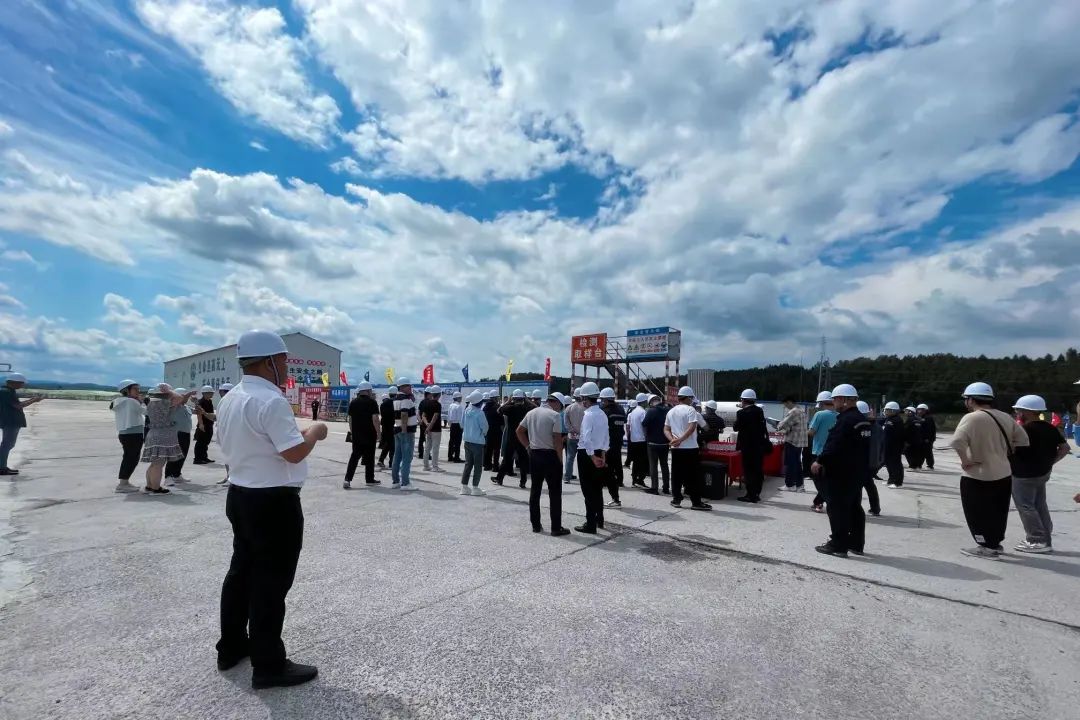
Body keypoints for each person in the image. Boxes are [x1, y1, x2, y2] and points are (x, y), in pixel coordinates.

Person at [215, 330, 328, 689]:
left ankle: (231, 646)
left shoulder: (231, 397)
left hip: (241, 494)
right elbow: (293, 452)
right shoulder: (270, 399)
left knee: (241, 574)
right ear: (268, 362)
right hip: (273, 502)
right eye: (283, 360)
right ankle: (268, 665)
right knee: (270, 583)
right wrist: (315, 430)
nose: (286, 365)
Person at [949, 382, 1029, 559]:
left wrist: (966, 461)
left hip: (978, 474)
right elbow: (1023, 440)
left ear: (970, 400)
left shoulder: (972, 418)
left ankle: (985, 546)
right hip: (1003, 473)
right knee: (998, 511)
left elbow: (956, 442)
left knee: (976, 512)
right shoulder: (1005, 417)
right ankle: (995, 543)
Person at [811, 384, 871, 557]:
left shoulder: (845, 420)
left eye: (835, 399)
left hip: (842, 472)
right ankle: (856, 543)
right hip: (857, 471)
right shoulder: (862, 420)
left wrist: (819, 461)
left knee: (837, 508)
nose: (834, 402)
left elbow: (835, 445)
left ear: (844, 400)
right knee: (854, 507)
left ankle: (838, 544)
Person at [1009, 395, 1069, 553]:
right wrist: (1051, 462)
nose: (1017, 413)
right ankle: (1046, 540)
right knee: (1040, 505)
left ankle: (1036, 540)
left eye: (1018, 410)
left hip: (1023, 475)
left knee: (1026, 506)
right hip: (1042, 473)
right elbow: (1065, 448)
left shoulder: (1024, 430)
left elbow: (1012, 450)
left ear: (1026, 411)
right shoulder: (1050, 428)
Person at [518, 394, 570, 535]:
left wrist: (528, 447)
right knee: (554, 494)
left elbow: (519, 431)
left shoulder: (531, 413)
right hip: (551, 456)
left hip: (535, 455)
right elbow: (557, 440)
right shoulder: (554, 416)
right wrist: (560, 460)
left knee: (535, 491)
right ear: (557, 403)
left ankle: (535, 525)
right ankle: (556, 527)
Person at [665, 386, 712, 510]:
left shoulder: (671, 411)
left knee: (676, 475)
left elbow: (666, 429)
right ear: (689, 398)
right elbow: (692, 428)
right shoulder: (691, 410)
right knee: (693, 476)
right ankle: (696, 502)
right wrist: (679, 440)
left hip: (676, 449)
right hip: (690, 448)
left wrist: (672, 440)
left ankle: (676, 499)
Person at [142, 383, 191, 494]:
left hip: (153, 433)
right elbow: (180, 398)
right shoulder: (165, 403)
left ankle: (149, 486)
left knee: (154, 463)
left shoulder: (152, 403)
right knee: (159, 464)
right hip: (162, 435)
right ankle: (156, 488)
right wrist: (169, 391)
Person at [574, 382, 608, 534]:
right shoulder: (602, 414)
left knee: (588, 491)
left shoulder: (588, 415)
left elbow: (586, 438)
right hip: (599, 451)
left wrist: (592, 457)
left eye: (582, 399)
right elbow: (607, 436)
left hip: (587, 454)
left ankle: (590, 524)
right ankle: (599, 519)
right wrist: (602, 455)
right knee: (597, 489)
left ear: (586, 399)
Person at [0, 373, 42, 475]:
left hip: (8, 420)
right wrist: (33, 400)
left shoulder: (6, 391)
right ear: (14, 383)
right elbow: (18, 406)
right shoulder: (6, 392)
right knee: (7, 445)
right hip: (11, 421)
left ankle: (2, 466)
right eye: (21, 383)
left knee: (7, 444)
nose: (22, 385)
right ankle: (1, 468)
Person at [734, 389, 770, 503]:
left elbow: (736, 427)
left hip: (747, 446)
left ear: (743, 400)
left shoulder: (741, 413)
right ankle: (757, 493)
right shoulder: (759, 411)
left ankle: (750, 495)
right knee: (758, 470)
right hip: (759, 446)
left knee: (749, 471)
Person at [343, 382, 380, 489]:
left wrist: (353, 431)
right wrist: (379, 433)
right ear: (368, 391)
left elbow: (350, 419)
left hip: (357, 435)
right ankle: (369, 479)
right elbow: (375, 419)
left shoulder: (353, 402)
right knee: (370, 458)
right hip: (370, 434)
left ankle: (347, 480)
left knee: (354, 457)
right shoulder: (372, 402)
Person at [111, 379, 145, 492]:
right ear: (126, 390)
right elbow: (146, 411)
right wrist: (142, 401)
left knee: (128, 458)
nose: (138, 391)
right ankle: (123, 484)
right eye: (135, 389)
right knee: (131, 458)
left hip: (125, 433)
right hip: (134, 434)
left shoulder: (119, 401)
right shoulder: (131, 402)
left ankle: (124, 482)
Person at [493, 390, 531, 488]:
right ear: (523, 398)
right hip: (523, 437)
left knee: (507, 459)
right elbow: (536, 407)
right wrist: (527, 400)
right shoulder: (527, 408)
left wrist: (508, 401)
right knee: (523, 460)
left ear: (513, 398)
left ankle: (499, 478)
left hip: (511, 438)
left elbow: (499, 410)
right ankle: (523, 482)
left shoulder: (509, 408)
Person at [807, 391, 837, 512]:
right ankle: (818, 502)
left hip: (819, 451)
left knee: (818, 480)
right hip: (833, 452)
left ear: (821, 403)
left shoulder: (819, 415)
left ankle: (822, 502)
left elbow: (811, 432)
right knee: (826, 479)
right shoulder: (838, 415)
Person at [599, 388, 627, 507]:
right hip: (617, 444)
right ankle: (616, 492)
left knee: (606, 471)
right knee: (616, 466)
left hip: (606, 446)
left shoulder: (604, 411)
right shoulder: (621, 410)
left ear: (604, 399)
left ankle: (615, 498)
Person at [776, 395, 807, 492]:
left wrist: (776, 425)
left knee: (790, 463)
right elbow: (793, 425)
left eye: (785, 404)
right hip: (801, 441)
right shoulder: (801, 411)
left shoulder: (793, 411)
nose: (785, 407)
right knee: (797, 463)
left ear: (789, 402)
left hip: (792, 441)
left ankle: (789, 485)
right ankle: (800, 485)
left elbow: (782, 424)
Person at [460, 390, 488, 495]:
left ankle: (464, 487)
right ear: (480, 402)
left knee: (468, 464)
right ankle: (475, 488)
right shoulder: (480, 413)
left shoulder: (466, 410)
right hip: (477, 442)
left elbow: (461, 424)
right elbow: (485, 427)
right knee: (477, 465)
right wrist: (483, 434)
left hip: (467, 440)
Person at [392, 378, 418, 490]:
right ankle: (405, 483)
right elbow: (404, 414)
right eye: (408, 386)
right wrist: (404, 430)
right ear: (402, 387)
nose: (410, 388)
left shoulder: (396, 399)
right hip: (406, 432)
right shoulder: (406, 399)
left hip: (397, 430)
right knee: (407, 457)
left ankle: (395, 481)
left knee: (397, 456)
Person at [164, 387, 193, 486]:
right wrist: (186, 396)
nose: (186, 398)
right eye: (183, 396)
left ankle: (177, 475)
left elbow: (197, 411)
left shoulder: (186, 407)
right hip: (176, 433)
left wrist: (196, 403)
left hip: (186, 433)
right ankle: (168, 477)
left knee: (182, 455)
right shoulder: (173, 406)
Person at [857, 400, 882, 516]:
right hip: (873, 461)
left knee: (857, 486)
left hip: (863, 461)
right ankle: (875, 508)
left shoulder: (862, 426)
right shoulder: (876, 426)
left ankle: (856, 509)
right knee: (869, 485)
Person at [642, 394, 670, 495]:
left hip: (652, 443)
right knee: (664, 465)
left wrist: (646, 437)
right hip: (665, 442)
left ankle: (654, 488)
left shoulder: (651, 411)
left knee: (653, 466)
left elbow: (644, 424)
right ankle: (666, 487)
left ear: (650, 402)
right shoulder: (667, 410)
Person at [626, 392, 649, 487]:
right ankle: (640, 479)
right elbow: (644, 426)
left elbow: (629, 426)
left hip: (633, 440)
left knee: (636, 461)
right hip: (642, 440)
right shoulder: (643, 412)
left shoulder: (633, 412)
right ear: (644, 402)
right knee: (643, 461)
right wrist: (647, 436)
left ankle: (634, 479)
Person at [881, 402, 905, 488]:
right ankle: (891, 480)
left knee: (895, 464)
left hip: (894, 447)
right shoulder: (889, 419)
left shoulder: (897, 421)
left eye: (887, 410)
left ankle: (897, 482)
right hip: (887, 446)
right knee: (888, 464)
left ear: (893, 411)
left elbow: (899, 436)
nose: (885, 412)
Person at [420, 385, 444, 472]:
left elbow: (423, 416)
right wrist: (429, 427)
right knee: (435, 448)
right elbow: (435, 417)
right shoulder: (438, 405)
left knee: (427, 448)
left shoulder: (427, 403)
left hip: (428, 429)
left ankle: (426, 466)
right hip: (436, 430)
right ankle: (435, 466)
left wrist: (427, 425)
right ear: (439, 394)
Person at [563, 389, 584, 483]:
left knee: (570, 458)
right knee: (584, 458)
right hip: (583, 437)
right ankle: (584, 478)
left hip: (571, 437)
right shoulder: (586, 408)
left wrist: (572, 430)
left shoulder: (569, 408)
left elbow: (566, 423)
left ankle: (567, 477)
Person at [192, 385, 217, 464]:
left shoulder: (209, 401)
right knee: (200, 442)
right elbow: (199, 414)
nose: (212, 394)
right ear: (205, 393)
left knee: (206, 442)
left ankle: (204, 457)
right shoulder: (200, 402)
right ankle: (197, 459)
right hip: (203, 424)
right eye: (210, 393)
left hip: (209, 424)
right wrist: (201, 424)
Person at [216, 383, 234, 485]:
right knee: (226, 457)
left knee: (232, 457)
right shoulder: (222, 402)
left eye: (221, 391)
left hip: (231, 434)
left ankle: (232, 478)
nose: (220, 393)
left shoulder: (233, 402)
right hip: (223, 433)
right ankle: (228, 476)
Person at [483, 391, 504, 471]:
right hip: (497, 430)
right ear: (495, 398)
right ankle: (495, 466)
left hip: (488, 429)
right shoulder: (497, 407)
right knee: (496, 449)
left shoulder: (485, 407)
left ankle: (487, 465)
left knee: (488, 448)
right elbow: (501, 420)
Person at [377, 388, 397, 470]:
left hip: (385, 426)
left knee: (388, 444)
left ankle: (381, 460)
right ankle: (391, 463)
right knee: (392, 445)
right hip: (392, 426)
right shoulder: (395, 403)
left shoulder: (383, 404)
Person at [916, 404, 937, 470]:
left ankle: (930, 465)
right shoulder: (921, 418)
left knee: (928, 452)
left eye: (921, 410)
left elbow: (930, 430)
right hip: (922, 438)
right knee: (921, 452)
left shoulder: (928, 418)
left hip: (927, 439)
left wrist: (927, 438)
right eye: (918, 410)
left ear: (925, 410)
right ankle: (919, 465)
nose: (919, 411)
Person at [447, 391, 464, 463]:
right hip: (457, 425)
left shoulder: (451, 405)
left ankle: (450, 456)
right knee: (457, 442)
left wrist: (449, 424)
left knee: (451, 441)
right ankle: (456, 457)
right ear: (458, 398)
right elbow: (460, 418)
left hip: (452, 425)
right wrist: (462, 427)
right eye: (460, 398)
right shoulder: (459, 406)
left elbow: (448, 416)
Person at [416, 388, 431, 461]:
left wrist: (420, 420)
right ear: (429, 394)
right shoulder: (430, 402)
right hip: (428, 423)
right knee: (428, 439)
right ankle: (427, 455)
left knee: (421, 439)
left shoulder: (422, 402)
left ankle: (421, 454)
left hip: (422, 423)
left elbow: (418, 412)